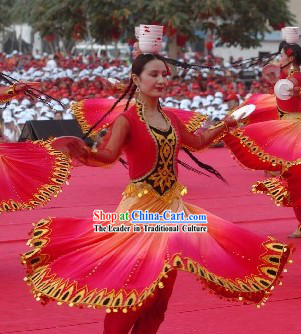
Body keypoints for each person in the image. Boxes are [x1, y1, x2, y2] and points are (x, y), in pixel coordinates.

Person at [22, 54, 292, 334]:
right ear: (136, 80)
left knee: (160, 300)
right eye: (154, 75)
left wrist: (226, 125)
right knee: (133, 294)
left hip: (173, 211)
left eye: (165, 75)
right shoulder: (126, 120)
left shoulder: (171, 117)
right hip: (139, 213)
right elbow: (107, 157)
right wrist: (82, 152)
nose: (162, 80)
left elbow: (197, 142)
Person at [224, 27, 301, 237]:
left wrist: (289, 87)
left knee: (296, 178)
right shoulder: (289, 74)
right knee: (294, 177)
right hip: (286, 125)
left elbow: (290, 87)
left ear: (290, 56)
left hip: (294, 130)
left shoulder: (295, 76)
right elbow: (282, 89)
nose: (279, 58)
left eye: (282, 55)